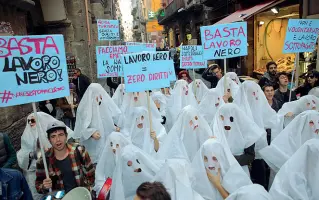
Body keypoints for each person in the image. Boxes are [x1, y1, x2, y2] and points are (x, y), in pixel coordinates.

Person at [17, 112, 75, 200]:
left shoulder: (53, 131)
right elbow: (22, 156)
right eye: (29, 121)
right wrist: (32, 154)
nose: (31, 124)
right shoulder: (26, 136)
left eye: (33, 120)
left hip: (55, 171)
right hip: (36, 174)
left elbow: (70, 139)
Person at [35, 120, 95, 194]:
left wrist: (86, 190)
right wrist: (44, 186)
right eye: (53, 136)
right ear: (49, 140)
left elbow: (91, 174)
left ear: (66, 136)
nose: (58, 139)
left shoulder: (79, 151)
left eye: (61, 134)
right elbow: (38, 186)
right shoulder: (43, 160)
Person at [212, 103, 265, 176]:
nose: (226, 121)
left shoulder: (246, 132)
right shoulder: (217, 131)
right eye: (222, 117)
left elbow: (250, 156)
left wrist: (230, 160)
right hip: (221, 172)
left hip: (240, 171)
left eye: (230, 118)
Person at [74, 83, 121, 164]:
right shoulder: (83, 109)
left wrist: (114, 126)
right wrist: (91, 132)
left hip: (107, 142)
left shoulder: (104, 105)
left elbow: (109, 118)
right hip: (93, 145)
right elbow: (81, 127)